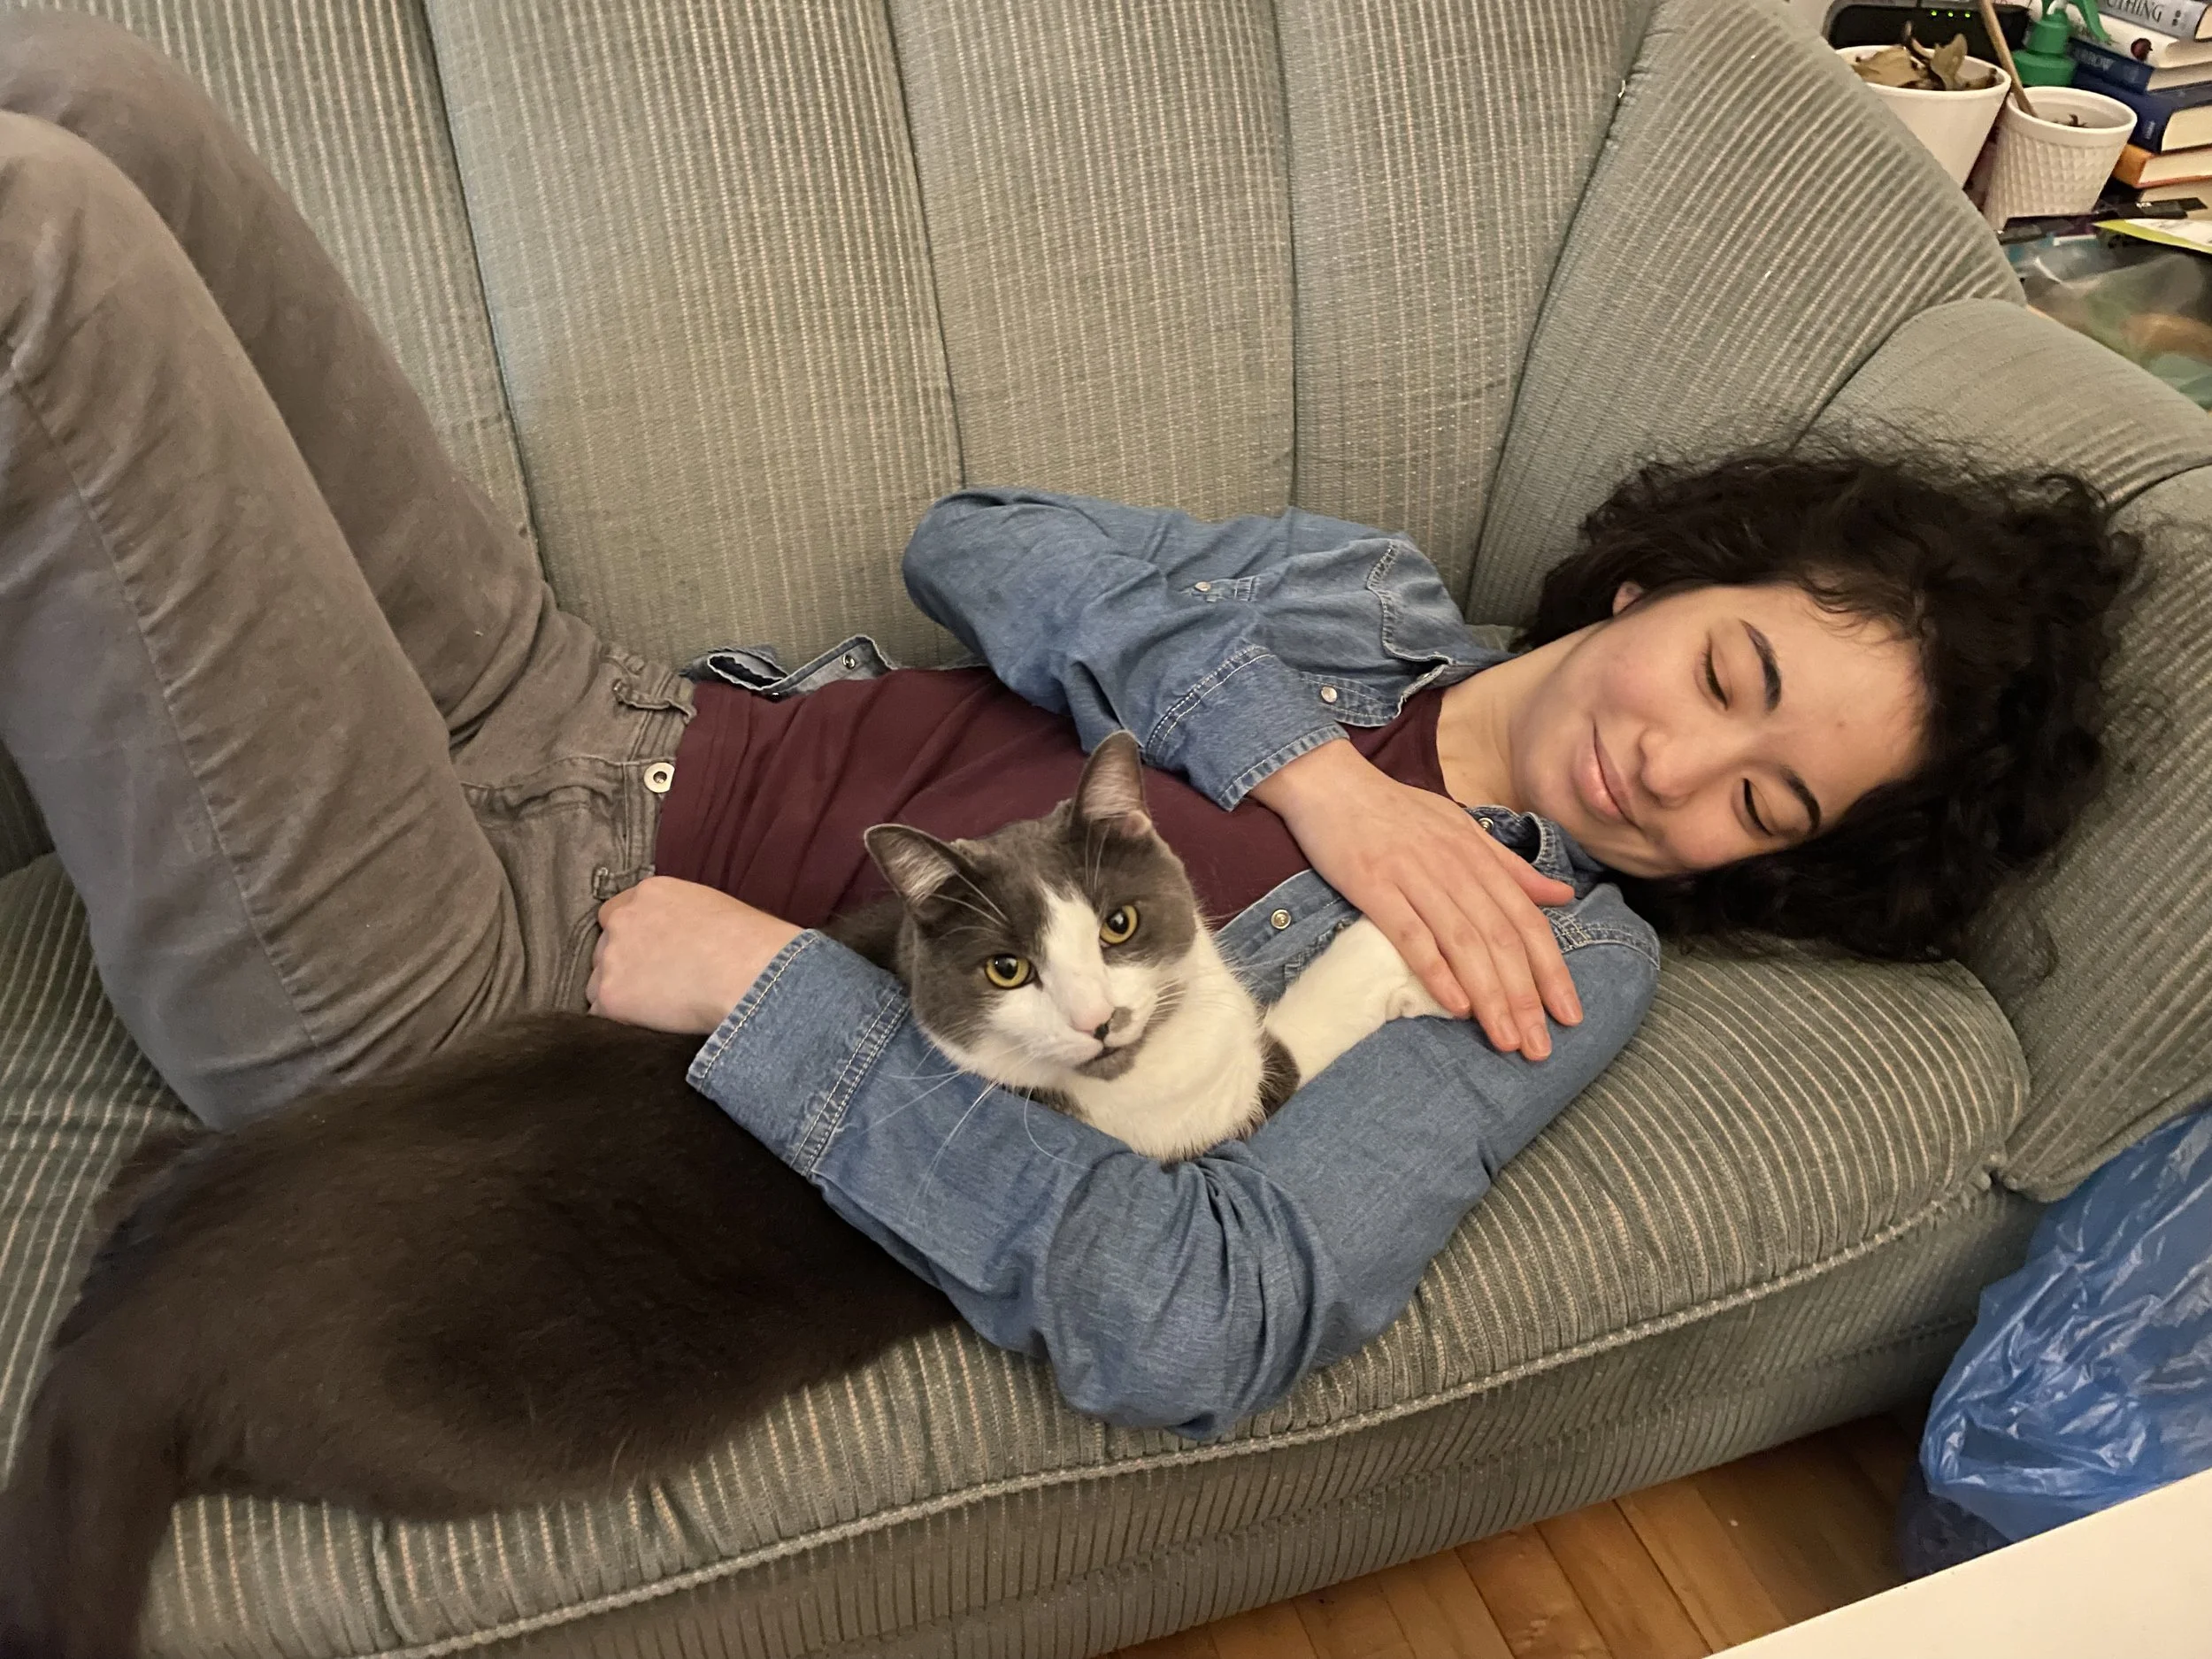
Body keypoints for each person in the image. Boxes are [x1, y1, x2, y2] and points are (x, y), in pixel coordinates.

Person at [0, 16, 2138, 1437]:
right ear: (1663, 581)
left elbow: (1199, 1312)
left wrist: (770, 996)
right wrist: (1313, 774)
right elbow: (978, 542)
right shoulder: (1362, 603)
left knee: (45, 253)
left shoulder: (1543, 955)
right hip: (566, 700)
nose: (1677, 770)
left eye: (1763, 799)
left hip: (497, 993)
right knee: (105, 105)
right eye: (1728, 678)